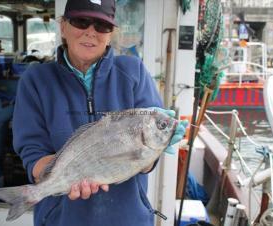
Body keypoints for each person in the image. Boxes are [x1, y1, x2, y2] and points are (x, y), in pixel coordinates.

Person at [12, 0, 187, 225]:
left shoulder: (134, 72)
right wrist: (61, 177)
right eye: (81, 21)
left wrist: (150, 152)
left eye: (101, 26)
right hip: (60, 219)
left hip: (128, 219)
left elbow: (146, 162)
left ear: (110, 33)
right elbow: (32, 151)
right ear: (63, 26)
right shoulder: (35, 80)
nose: (91, 33)